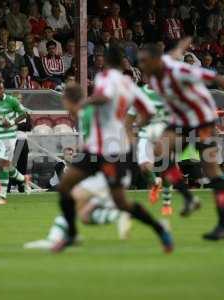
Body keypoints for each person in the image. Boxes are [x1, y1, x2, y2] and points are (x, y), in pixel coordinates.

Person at [52, 49, 173, 254]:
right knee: (66, 186)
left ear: (106, 63)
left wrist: (85, 102)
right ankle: (71, 234)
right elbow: (149, 112)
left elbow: (105, 97)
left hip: (110, 152)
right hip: (99, 150)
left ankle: (160, 228)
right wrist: (136, 127)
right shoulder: (132, 86)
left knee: (120, 202)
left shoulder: (105, 76)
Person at [138, 39, 224, 241]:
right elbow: (176, 50)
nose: (141, 66)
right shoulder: (155, 77)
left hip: (203, 120)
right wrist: (182, 43)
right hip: (181, 120)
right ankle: (189, 198)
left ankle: (223, 226)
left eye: (144, 61)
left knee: (211, 169)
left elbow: (215, 77)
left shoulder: (177, 71)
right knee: (162, 154)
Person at [125, 83, 173, 216]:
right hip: (145, 135)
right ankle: (155, 183)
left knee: (167, 169)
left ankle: (166, 204)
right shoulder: (139, 94)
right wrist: (130, 138)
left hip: (164, 135)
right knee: (145, 168)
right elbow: (128, 120)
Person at [0, 80, 31, 205]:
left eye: (1, 88)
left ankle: (2, 196)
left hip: (10, 136)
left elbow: (23, 114)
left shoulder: (12, 100)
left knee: (3, 164)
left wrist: (12, 122)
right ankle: (23, 179)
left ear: (3, 89)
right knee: (4, 164)